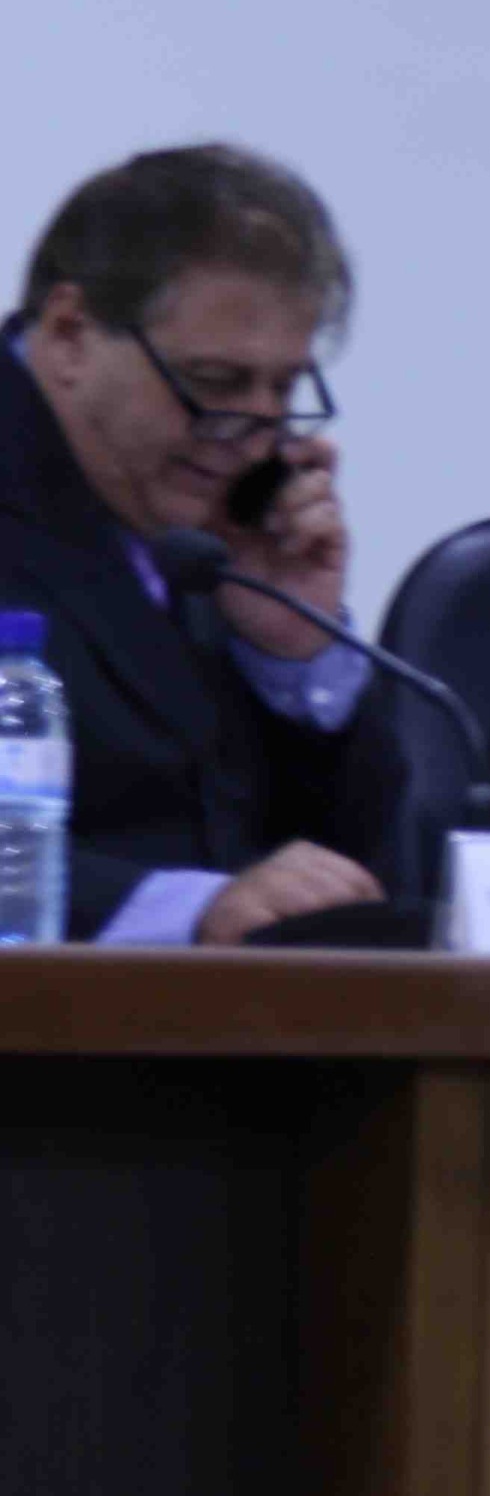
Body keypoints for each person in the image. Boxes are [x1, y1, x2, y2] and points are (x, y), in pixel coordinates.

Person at [0, 144, 393, 944]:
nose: (254, 431)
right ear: (71, 334)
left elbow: (371, 882)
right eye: (215, 382)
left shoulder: (207, 526)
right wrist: (186, 912)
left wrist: (293, 654)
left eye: (284, 387)